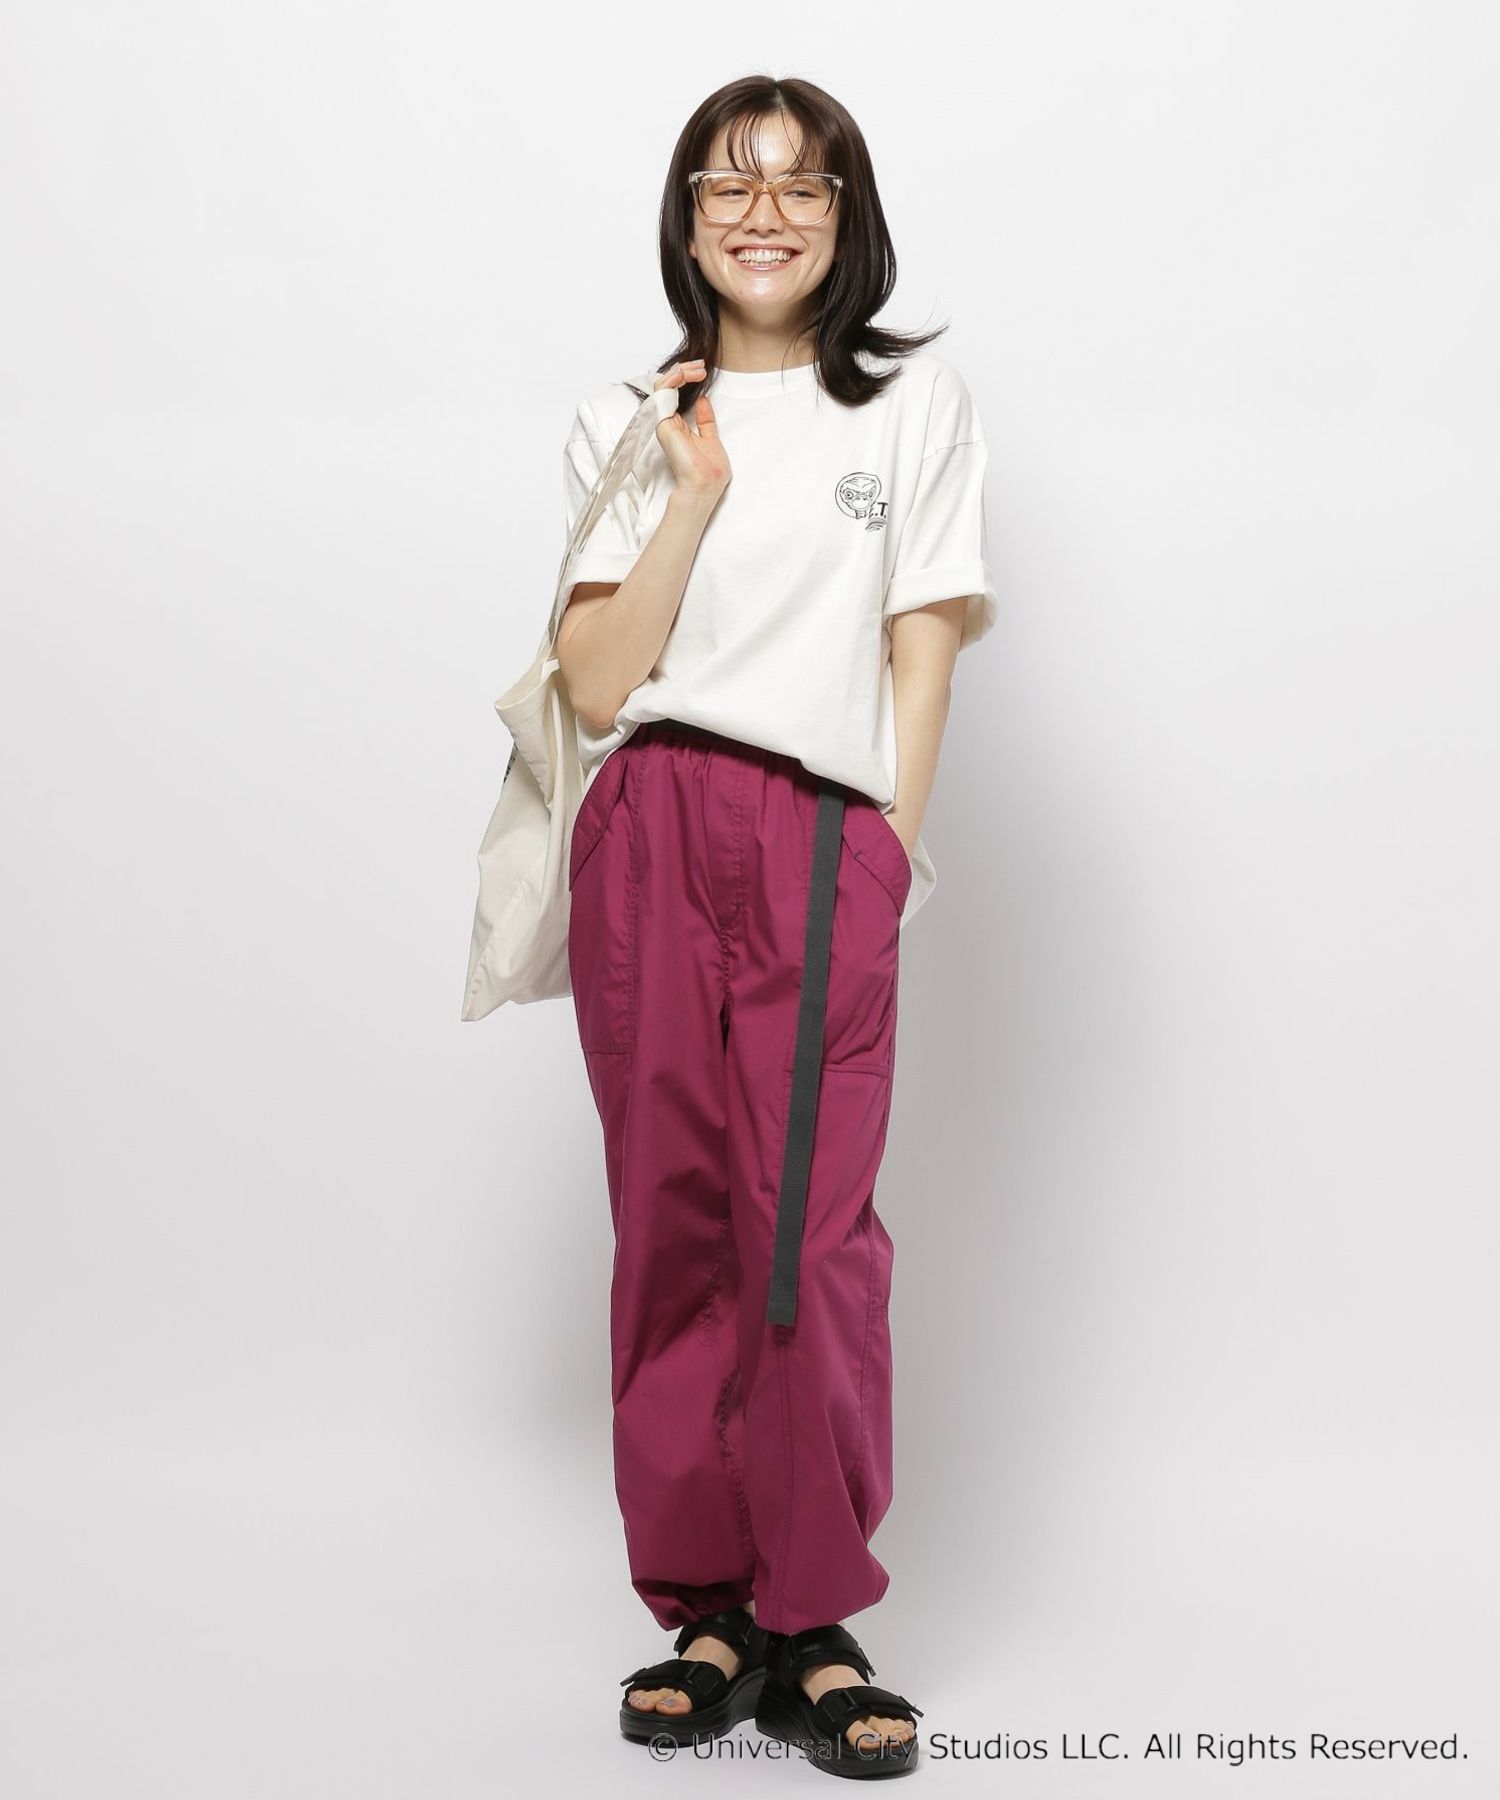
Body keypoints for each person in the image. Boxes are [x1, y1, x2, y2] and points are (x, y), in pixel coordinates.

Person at [555, 74, 997, 1780]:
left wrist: (887, 850)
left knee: (805, 1234)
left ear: (844, 218)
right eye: (728, 188)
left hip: (820, 831)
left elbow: (921, 647)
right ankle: (709, 1609)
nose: (764, 216)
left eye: (801, 188)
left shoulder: (911, 405)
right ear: (686, 218)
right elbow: (598, 683)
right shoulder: (629, 416)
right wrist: (688, 490)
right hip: (654, 825)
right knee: (672, 1220)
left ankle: (815, 1614)